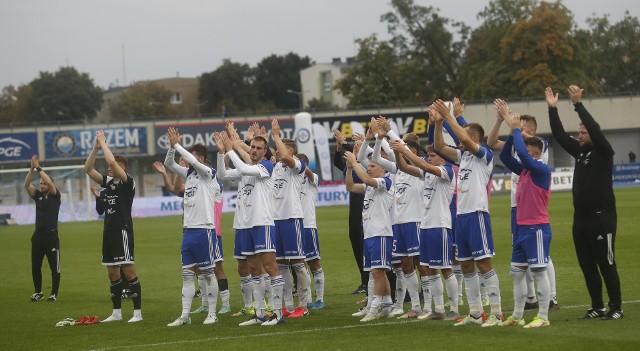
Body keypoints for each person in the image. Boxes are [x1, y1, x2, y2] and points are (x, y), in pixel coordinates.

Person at [546, 85, 623, 320]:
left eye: (583, 133)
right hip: (580, 220)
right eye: (579, 133)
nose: (579, 136)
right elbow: (559, 135)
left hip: (602, 218)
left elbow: (595, 129)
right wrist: (552, 109)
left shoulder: (603, 151)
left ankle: (616, 308)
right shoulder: (580, 152)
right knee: (587, 266)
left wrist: (578, 105)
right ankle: (597, 306)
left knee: (606, 265)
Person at [432, 99, 503, 327]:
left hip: (477, 215)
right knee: (465, 265)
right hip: (461, 217)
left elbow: (461, 137)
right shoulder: (463, 157)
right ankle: (475, 313)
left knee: (484, 264)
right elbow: (440, 148)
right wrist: (438, 123)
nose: (461, 140)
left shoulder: (485, 156)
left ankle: (497, 313)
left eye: (465, 136)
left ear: (474, 139)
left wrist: (449, 116)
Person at [487, 101, 559, 310]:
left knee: (542, 256)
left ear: (532, 131)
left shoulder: (540, 144)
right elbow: (493, 143)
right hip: (516, 207)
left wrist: (511, 121)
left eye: (522, 127)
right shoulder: (519, 144)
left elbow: (522, 146)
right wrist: (503, 120)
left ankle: (551, 297)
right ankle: (529, 298)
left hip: (534, 209)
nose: (518, 128)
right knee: (521, 255)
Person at [391, 114, 460, 321]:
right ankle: (438, 309)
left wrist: (404, 150)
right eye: (428, 155)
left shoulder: (447, 171)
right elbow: (404, 167)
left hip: (440, 225)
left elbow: (427, 167)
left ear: (443, 157)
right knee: (429, 270)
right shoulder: (428, 174)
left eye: (433, 155)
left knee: (445, 268)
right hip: (426, 226)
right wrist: (398, 153)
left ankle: (454, 308)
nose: (430, 158)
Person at [215, 131, 285, 326]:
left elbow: (245, 169)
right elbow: (222, 174)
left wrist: (232, 148)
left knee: (270, 267)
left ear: (264, 153)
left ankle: (278, 315)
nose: (254, 151)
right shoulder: (245, 168)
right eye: (252, 147)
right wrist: (222, 154)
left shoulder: (266, 167)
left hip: (262, 223)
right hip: (244, 225)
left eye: (258, 148)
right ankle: (260, 313)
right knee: (254, 270)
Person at [498, 106, 553, 328]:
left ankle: (543, 316)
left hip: (537, 228)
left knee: (539, 272)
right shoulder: (524, 171)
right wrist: (512, 135)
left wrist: (516, 129)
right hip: (521, 229)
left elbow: (522, 155)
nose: (524, 154)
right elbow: (504, 155)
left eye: (529, 152)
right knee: (516, 274)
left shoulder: (541, 169)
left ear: (537, 154)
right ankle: (517, 315)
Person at [163, 127, 221, 327]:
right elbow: (169, 163)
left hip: (204, 230)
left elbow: (193, 161)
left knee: (208, 273)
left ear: (202, 159)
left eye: (193, 157)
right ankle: (185, 315)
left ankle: (212, 313)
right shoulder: (190, 175)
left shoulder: (208, 174)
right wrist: (172, 148)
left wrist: (178, 145)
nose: (188, 160)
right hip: (188, 230)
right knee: (187, 274)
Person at [84, 130, 142, 323]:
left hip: (122, 230)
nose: (110, 169)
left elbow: (111, 163)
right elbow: (88, 169)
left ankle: (137, 313)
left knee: (129, 271)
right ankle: (117, 313)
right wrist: (95, 148)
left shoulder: (128, 182)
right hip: (108, 232)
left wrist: (103, 142)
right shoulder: (108, 183)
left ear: (122, 169)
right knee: (112, 273)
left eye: (115, 167)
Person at [345, 149, 394, 322]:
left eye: (372, 166)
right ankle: (387, 305)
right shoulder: (370, 187)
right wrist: (350, 168)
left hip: (381, 233)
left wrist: (356, 162)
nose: (369, 168)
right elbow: (350, 187)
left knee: (377, 271)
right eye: (369, 166)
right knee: (377, 273)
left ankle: (374, 308)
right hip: (370, 234)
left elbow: (366, 178)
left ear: (383, 169)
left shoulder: (385, 182)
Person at [270, 119, 312, 319]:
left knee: (298, 263)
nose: (278, 152)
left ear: (291, 152)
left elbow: (285, 157)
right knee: (281, 265)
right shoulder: (276, 167)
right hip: (276, 220)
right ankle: (288, 305)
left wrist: (276, 135)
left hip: (292, 218)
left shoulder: (298, 165)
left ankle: (304, 305)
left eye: (282, 149)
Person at [333, 129, 368, 294]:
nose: (354, 151)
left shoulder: (369, 167)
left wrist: (346, 144)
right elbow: (338, 163)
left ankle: (369, 282)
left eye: (358, 148)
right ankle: (364, 281)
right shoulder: (353, 168)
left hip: (365, 213)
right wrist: (339, 147)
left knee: (364, 247)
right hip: (354, 213)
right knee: (356, 246)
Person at [24, 155, 61, 302]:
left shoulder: (55, 196)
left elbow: (51, 183)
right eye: (40, 184)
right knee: (35, 266)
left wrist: (39, 167)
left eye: (44, 183)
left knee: (54, 267)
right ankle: (38, 292)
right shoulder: (37, 196)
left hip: (51, 237)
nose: (42, 186)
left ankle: (53, 294)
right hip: (38, 236)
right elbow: (26, 185)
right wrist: (32, 169)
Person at [91, 186, 132, 300]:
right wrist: (97, 198)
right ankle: (118, 290)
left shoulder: (122, 187)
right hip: (109, 230)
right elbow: (100, 210)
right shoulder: (104, 191)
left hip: (121, 229)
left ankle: (128, 289)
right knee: (113, 264)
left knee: (123, 260)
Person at [297, 153, 326, 309]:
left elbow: (307, 171)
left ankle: (320, 299)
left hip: (308, 226)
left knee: (314, 262)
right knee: (300, 265)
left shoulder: (312, 178)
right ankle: (307, 298)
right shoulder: (293, 179)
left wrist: (297, 161)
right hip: (294, 225)